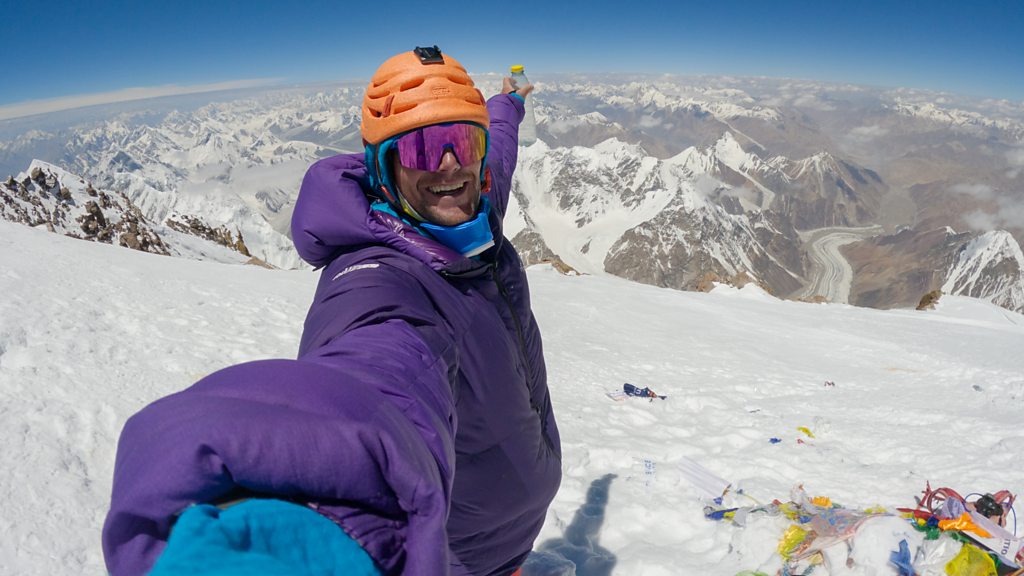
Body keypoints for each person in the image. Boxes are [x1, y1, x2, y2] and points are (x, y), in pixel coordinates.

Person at [101, 46, 562, 576]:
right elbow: (380, 375)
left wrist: (509, 103)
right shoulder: (380, 279)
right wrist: (318, 521)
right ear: (383, 169)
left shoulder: (472, 207)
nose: (448, 164)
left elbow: (498, 146)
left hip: (512, 531)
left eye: (461, 141)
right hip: (462, 551)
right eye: (421, 149)